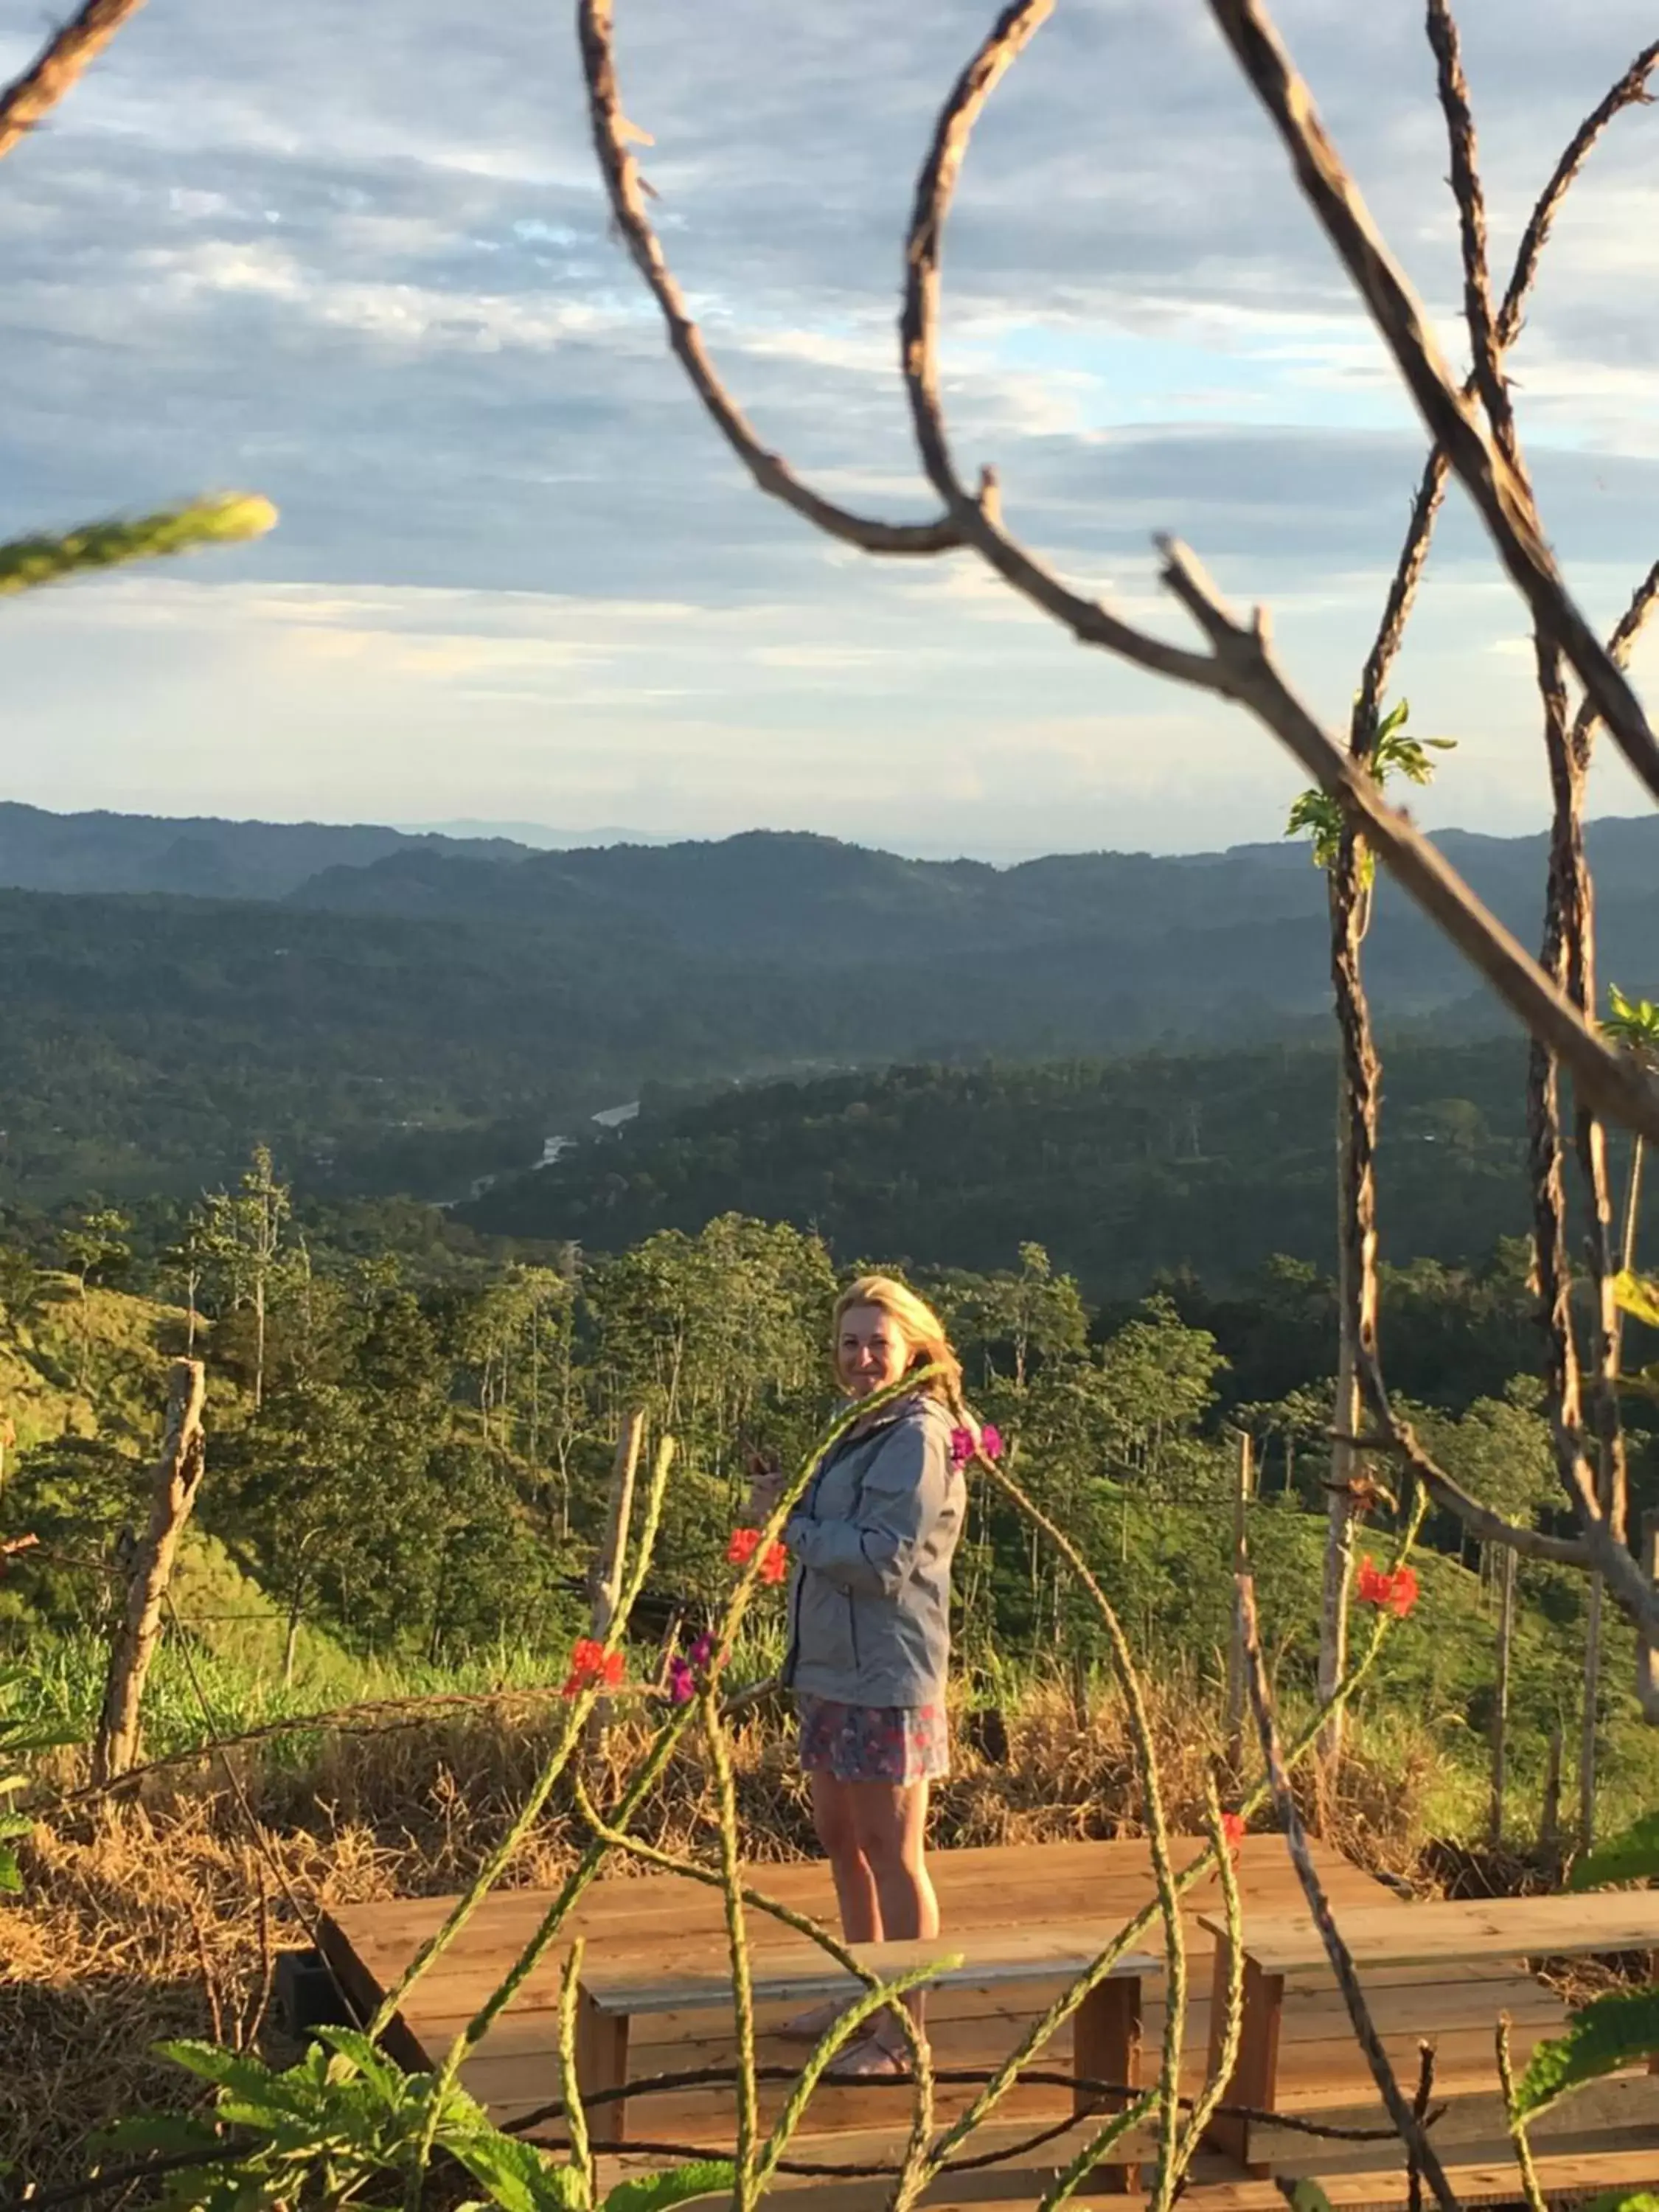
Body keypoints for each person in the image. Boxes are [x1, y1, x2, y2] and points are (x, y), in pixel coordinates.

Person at [748, 1273, 970, 2079]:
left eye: (878, 1342)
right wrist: (785, 1501)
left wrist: (793, 1525)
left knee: (891, 1848)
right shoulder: (858, 1424)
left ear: (913, 1345)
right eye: (850, 1343)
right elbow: (832, 1527)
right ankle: (860, 1994)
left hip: (887, 1672)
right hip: (832, 1666)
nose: (863, 1357)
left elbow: (881, 1559)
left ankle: (903, 2037)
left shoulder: (918, 1434)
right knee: (842, 1840)